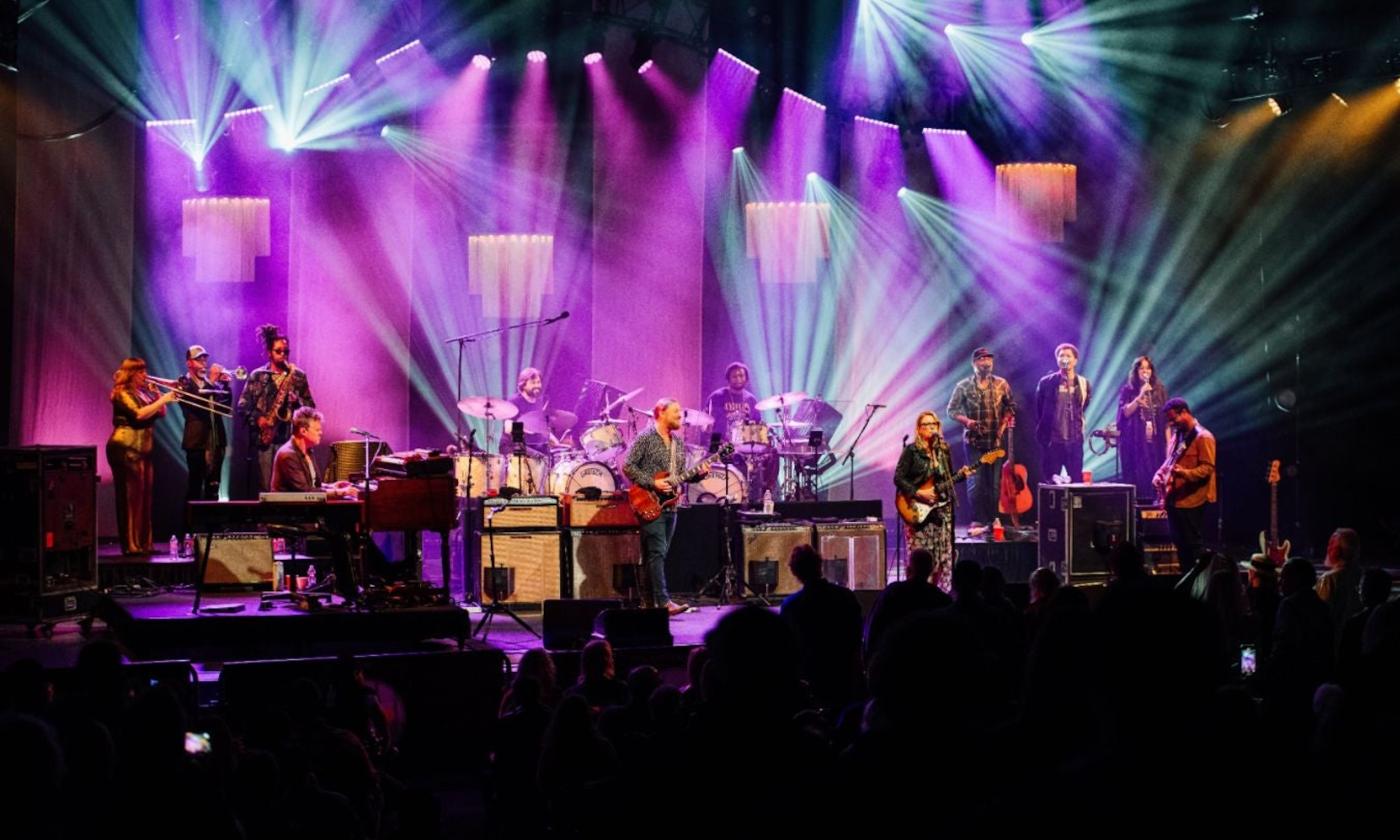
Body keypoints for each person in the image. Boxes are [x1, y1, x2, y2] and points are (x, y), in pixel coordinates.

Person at [621, 398, 708, 616]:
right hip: (648, 501)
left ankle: (648, 604)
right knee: (657, 553)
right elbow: (628, 466)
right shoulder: (646, 438)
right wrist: (653, 483)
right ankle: (663, 602)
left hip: (670, 506)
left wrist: (697, 475)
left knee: (656, 555)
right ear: (660, 411)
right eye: (676, 411)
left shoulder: (678, 443)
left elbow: (679, 477)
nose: (681, 416)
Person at [271, 407, 360, 598]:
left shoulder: (307, 452)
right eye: (317, 430)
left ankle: (353, 582)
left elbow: (314, 485)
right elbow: (305, 492)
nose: (321, 433)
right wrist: (339, 492)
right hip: (294, 514)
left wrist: (331, 486)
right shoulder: (288, 455)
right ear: (303, 431)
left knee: (351, 525)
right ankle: (348, 587)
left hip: (308, 510)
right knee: (340, 533)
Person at [106, 358, 178, 554]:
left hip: (144, 450)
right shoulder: (122, 393)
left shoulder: (143, 392)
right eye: (140, 372)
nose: (145, 376)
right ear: (131, 374)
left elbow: (160, 413)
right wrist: (164, 398)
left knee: (144, 497)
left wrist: (157, 394)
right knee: (130, 498)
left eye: (145, 371)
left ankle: (144, 543)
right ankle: (130, 545)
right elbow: (138, 415)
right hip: (126, 447)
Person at [893, 410, 972, 591]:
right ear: (919, 429)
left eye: (934, 424)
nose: (931, 428)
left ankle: (941, 594)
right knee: (921, 556)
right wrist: (919, 493)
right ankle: (917, 593)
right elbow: (898, 478)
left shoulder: (943, 450)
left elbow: (948, 481)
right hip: (918, 511)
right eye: (926, 425)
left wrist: (961, 476)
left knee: (943, 557)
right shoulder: (912, 451)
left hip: (942, 511)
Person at [238, 323, 314, 492]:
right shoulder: (258, 375)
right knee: (266, 487)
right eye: (278, 351)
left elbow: (311, 408)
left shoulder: (298, 376)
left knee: (290, 487)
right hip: (265, 440)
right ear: (269, 353)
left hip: (289, 440)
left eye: (286, 352)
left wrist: (297, 403)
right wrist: (258, 419)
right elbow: (242, 406)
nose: (283, 355)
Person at [947, 347, 1015, 531]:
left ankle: (993, 519)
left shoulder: (1001, 384)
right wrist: (967, 421)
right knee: (975, 483)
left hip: (995, 442)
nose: (986, 362)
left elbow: (1010, 407)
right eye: (982, 359)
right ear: (974, 363)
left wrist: (1001, 430)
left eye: (989, 359)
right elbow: (951, 410)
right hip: (974, 442)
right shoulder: (963, 386)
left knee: (994, 484)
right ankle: (977, 519)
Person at [1152, 397, 1216, 571]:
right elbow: (1169, 462)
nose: (1172, 423)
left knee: (1193, 546)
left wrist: (1185, 474)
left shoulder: (1204, 437)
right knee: (1180, 545)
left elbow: (1207, 469)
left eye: (1173, 419)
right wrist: (1159, 474)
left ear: (1184, 412)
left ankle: (1198, 586)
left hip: (1193, 501)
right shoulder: (1177, 436)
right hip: (1175, 500)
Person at [703, 361, 770, 502]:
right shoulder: (716, 397)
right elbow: (705, 422)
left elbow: (757, 426)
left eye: (741, 376)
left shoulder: (751, 400)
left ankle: (752, 500)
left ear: (746, 378)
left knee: (765, 461)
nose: (738, 379)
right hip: (721, 447)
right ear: (728, 378)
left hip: (744, 449)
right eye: (734, 376)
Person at [176, 345, 233, 501]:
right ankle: (189, 526)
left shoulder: (211, 385)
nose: (204, 364)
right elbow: (195, 405)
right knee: (195, 487)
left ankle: (212, 525)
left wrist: (226, 387)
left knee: (214, 488)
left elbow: (226, 410)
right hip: (196, 443)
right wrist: (213, 382)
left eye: (205, 359)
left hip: (217, 441)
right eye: (198, 360)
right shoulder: (183, 383)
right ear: (189, 363)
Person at [1034, 342, 1092, 482]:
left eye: (1068, 356)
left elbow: (1084, 406)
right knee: (1051, 481)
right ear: (1057, 360)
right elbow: (1039, 408)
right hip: (1053, 441)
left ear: (1075, 360)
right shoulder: (1046, 382)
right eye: (1061, 356)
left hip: (1074, 440)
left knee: (1076, 481)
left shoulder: (1084, 383)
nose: (1064, 359)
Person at [1115, 355, 1168, 501]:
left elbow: (1166, 420)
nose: (1145, 372)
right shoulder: (1128, 390)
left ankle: (1155, 506)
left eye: (1148, 368)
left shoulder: (1159, 390)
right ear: (1136, 372)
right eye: (1141, 369)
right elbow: (1124, 413)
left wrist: (1168, 447)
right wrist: (1139, 397)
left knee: (1154, 473)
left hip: (1155, 442)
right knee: (1137, 476)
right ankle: (1135, 508)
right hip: (1134, 443)